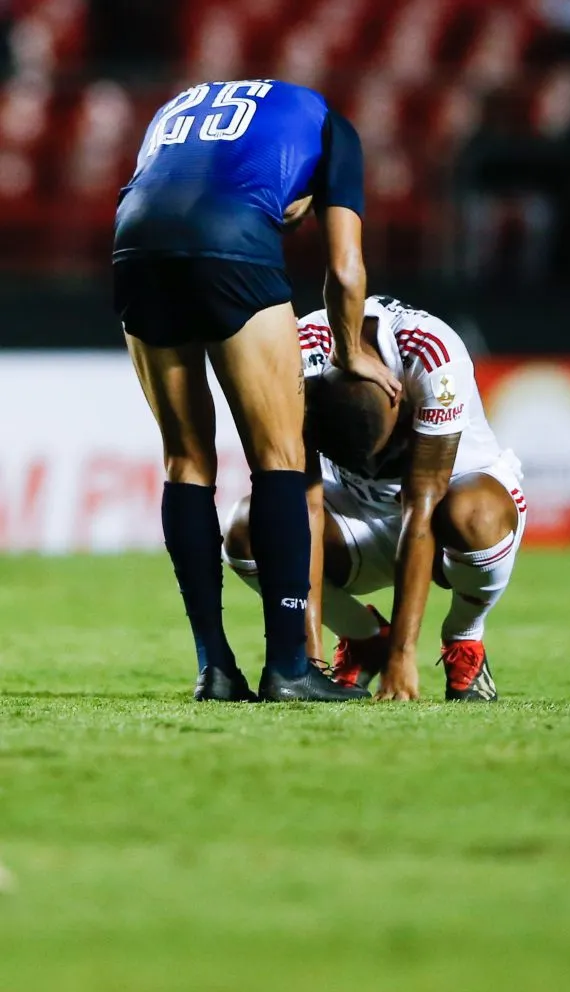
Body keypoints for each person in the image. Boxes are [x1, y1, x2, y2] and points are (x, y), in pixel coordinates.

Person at [113, 79, 400, 704]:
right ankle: (290, 669)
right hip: (234, 240)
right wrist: (351, 354)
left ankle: (213, 667)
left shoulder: (178, 105)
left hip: (135, 241)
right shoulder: (329, 124)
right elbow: (346, 268)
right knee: (282, 456)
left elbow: (166, 184)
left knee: (185, 458)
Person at [223, 296, 527, 702]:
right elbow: (306, 505)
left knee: (474, 515)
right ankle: (363, 637)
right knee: (249, 530)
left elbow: (422, 506)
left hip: (441, 513)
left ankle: (464, 638)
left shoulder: (434, 355)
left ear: (397, 398)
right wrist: (306, 658)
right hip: (355, 513)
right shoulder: (295, 359)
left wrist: (404, 656)